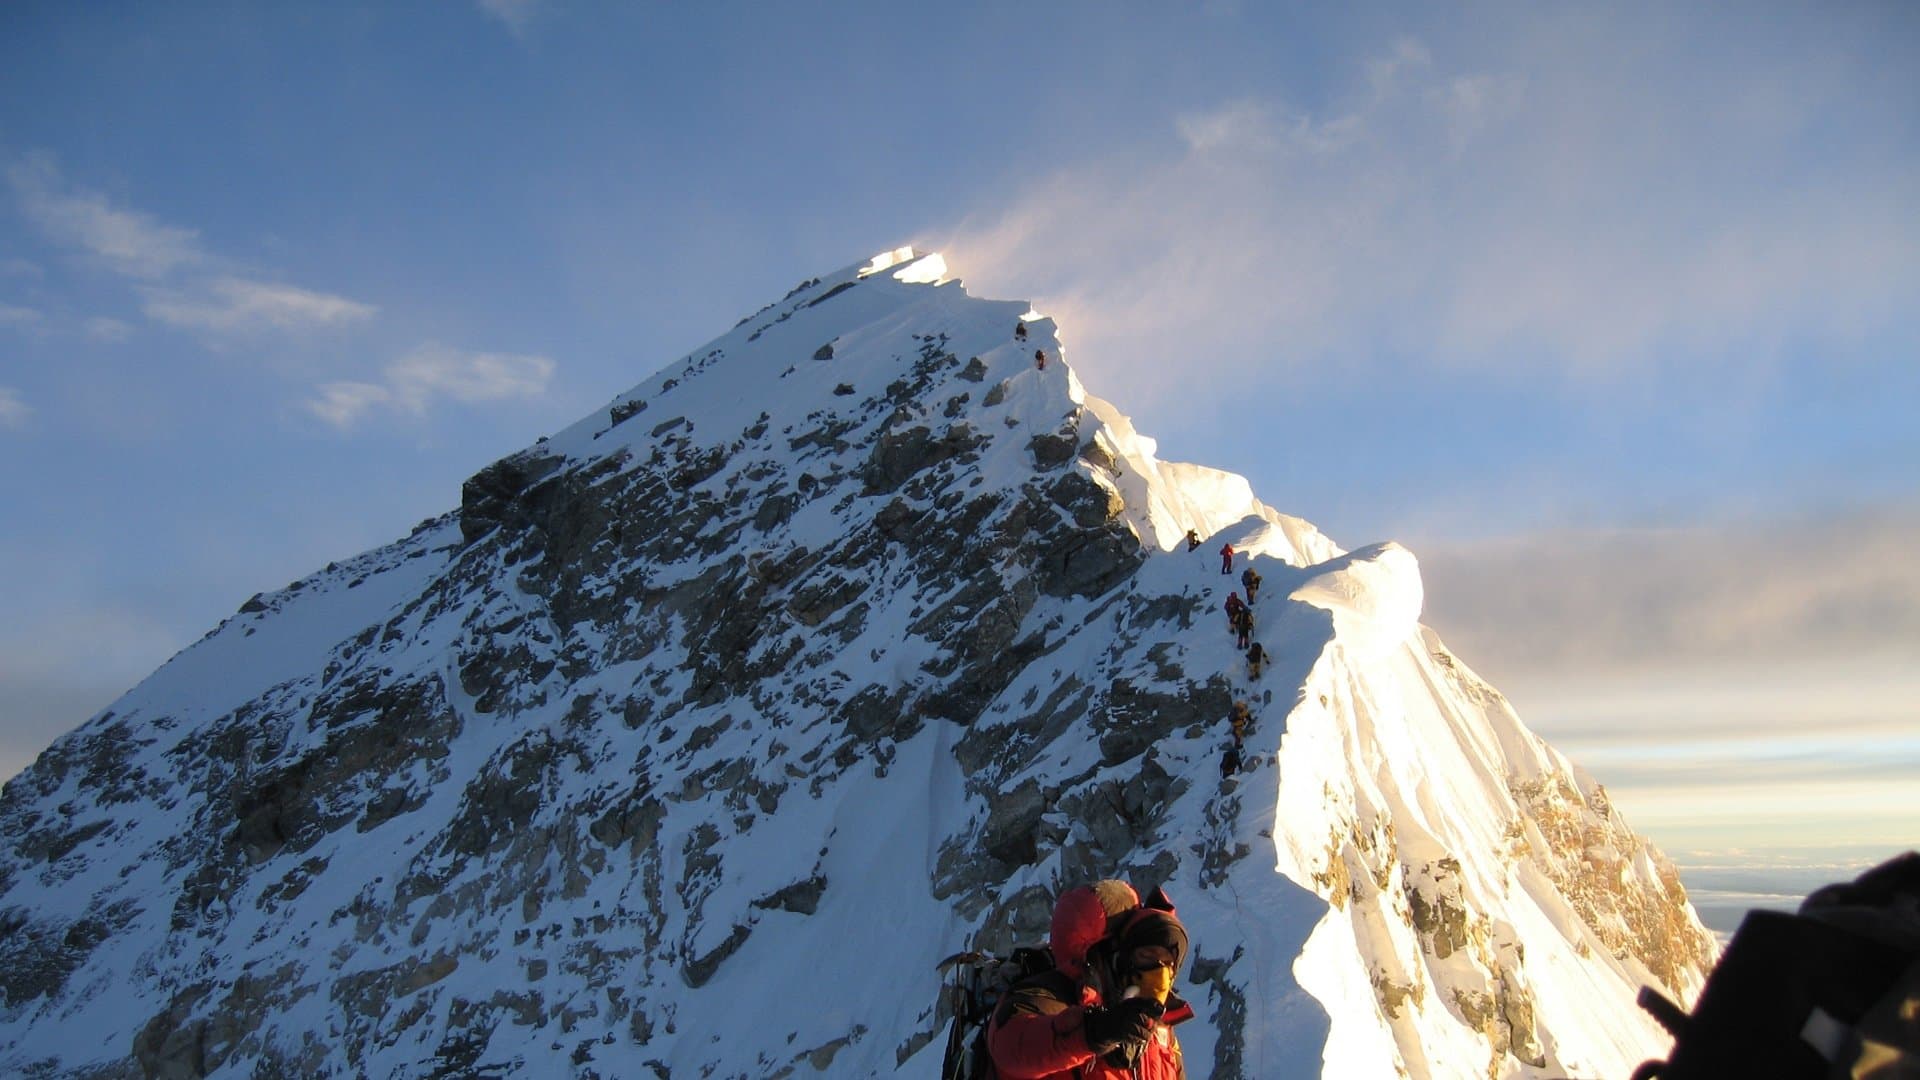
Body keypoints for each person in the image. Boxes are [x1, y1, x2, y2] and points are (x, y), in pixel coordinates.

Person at [988, 881, 1193, 1080]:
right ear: (1117, 955)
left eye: (1169, 965)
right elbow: (1010, 1046)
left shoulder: (1162, 1036)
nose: (1160, 973)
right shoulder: (1053, 995)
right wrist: (1093, 1032)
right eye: (1147, 956)